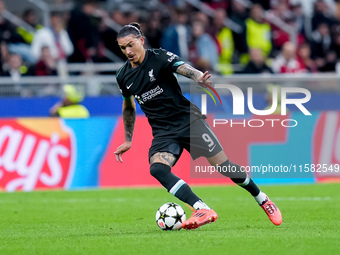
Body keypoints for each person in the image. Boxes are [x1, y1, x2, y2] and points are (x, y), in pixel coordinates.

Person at [114, 23, 282, 229]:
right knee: (157, 168)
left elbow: (182, 67)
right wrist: (128, 139)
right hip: (163, 131)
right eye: (123, 48)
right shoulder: (123, 76)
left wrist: (198, 77)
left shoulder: (158, 57)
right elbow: (128, 105)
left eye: (131, 45)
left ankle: (262, 199)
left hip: (189, 121)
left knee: (225, 167)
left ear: (141, 41)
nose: (128, 51)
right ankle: (201, 208)